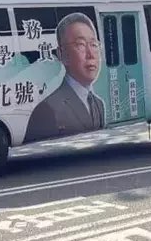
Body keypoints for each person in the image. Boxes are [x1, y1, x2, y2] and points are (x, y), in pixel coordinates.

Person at [24, 12, 106, 143]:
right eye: (80, 45)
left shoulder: (98, 104)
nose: (90, 54)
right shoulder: (47, 110)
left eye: (94, 44)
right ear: (62, 54)